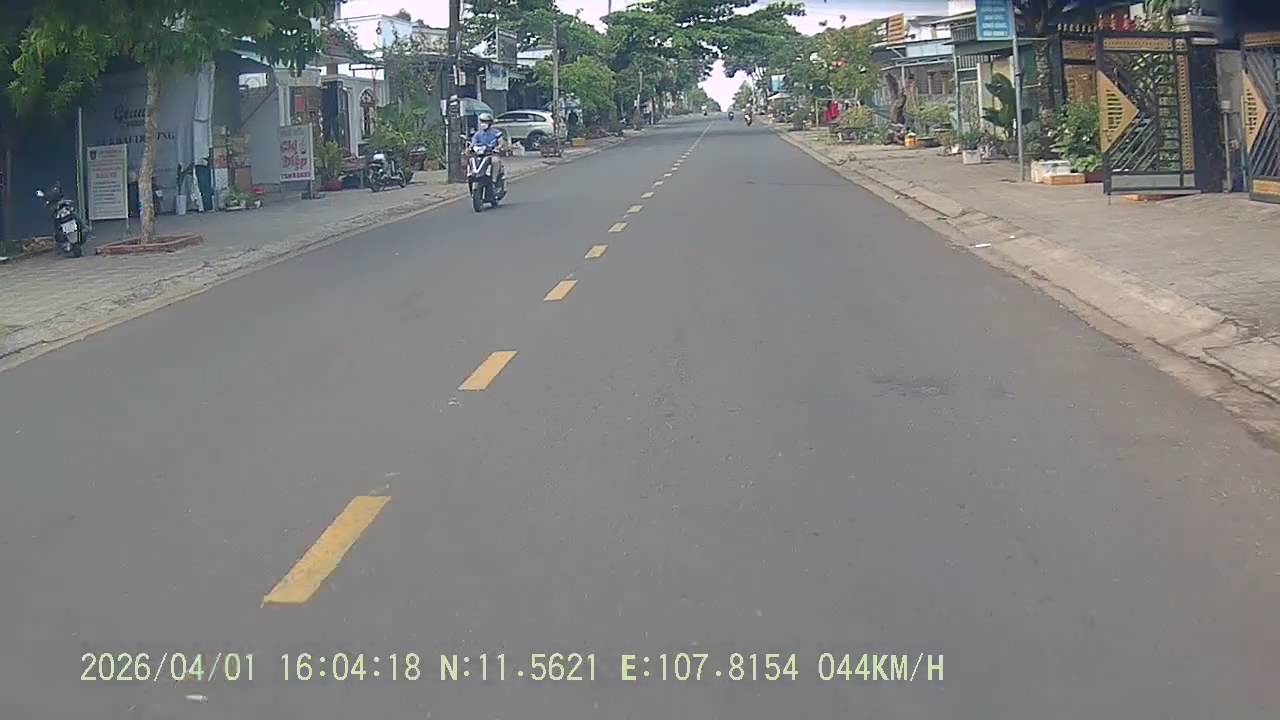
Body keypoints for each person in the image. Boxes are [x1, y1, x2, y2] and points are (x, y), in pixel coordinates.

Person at [470, 112, 504, 179]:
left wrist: (498, 147)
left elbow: (501, 143)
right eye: (482, 121)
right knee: (471, 160)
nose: (483, 123)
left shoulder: (496, 133)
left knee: (495, 161)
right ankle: (472, 176)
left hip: (491, 154)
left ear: (490, 123)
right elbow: (473, 143)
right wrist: (470, 148)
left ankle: (494, 179)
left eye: (485, 121)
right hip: (479, 154)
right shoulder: (478, 134)